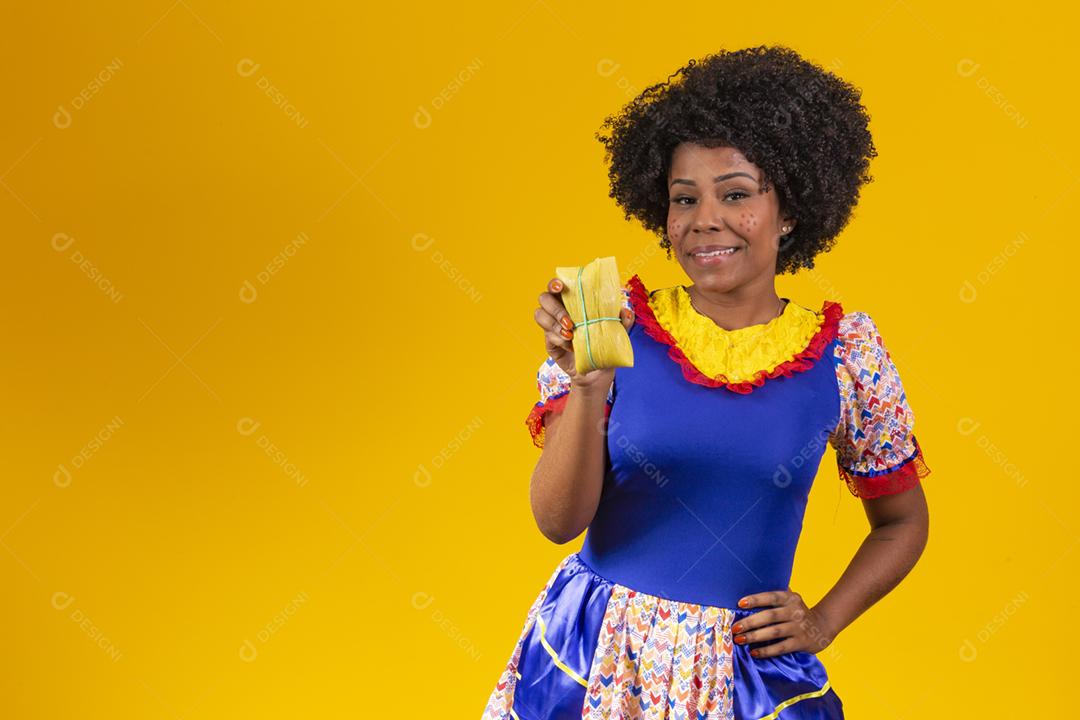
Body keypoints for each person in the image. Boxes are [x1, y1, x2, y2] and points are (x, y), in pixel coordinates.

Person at [483, 44, 931, 720]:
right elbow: (556, 522)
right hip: (601, 660)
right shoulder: (616, 329)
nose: (705, 220)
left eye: (737, 194)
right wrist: (586, 383)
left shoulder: (846, 358)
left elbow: (902, 523)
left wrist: (823, 621)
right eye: (683, 199)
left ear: (791, 213)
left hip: (743, 679)